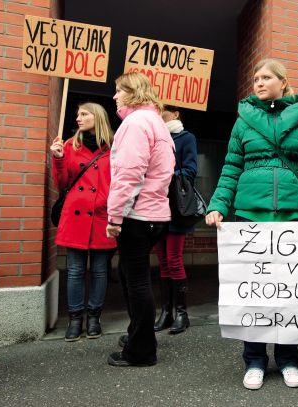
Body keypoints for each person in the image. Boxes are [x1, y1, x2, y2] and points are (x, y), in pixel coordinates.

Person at [205, 59, 298, 390]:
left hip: (294, 217)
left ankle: (288, 359)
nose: (258, 82)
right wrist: (218, 205)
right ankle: (254, 360)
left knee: (290, 295)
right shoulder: (242, 122)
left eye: (266, 77)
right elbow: (231, 167)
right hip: (250, 217)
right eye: (255, 78)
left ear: (283, 82)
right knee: (254, 295)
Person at [105, 72, 175, 367]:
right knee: (132, 277)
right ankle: (138, 334)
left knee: (136, 281)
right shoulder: (156, 122)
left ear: (132, 92)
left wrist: (114, 216)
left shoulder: (135, 124)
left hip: (137, 214)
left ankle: (141, 351)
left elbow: (129, 175)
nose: (115, 96)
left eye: (119, 91)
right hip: (155, 213)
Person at [50, 102, 116, 342]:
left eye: (84, 114)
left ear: (96, 117)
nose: (78, 118)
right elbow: (62, 182)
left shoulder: (113, 148)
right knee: (76, 270)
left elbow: (118, 183)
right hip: (76, 216)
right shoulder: (69, 145)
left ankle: (94, 318)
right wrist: (58, 159)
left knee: (100, 271)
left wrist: (107, 203)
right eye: (77, 114)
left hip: (101, 216)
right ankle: (75, 319)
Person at [152, 105, 197, 334]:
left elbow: (190, 170)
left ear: (176, 114)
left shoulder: (186, 138)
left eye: (164, 110)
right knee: (163, 261)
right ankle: (166, 312)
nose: (159, 114)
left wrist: (164, 176)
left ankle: (182, 314)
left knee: (174, 259)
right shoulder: (154, 137)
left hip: (176, 208)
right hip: (155, 206)